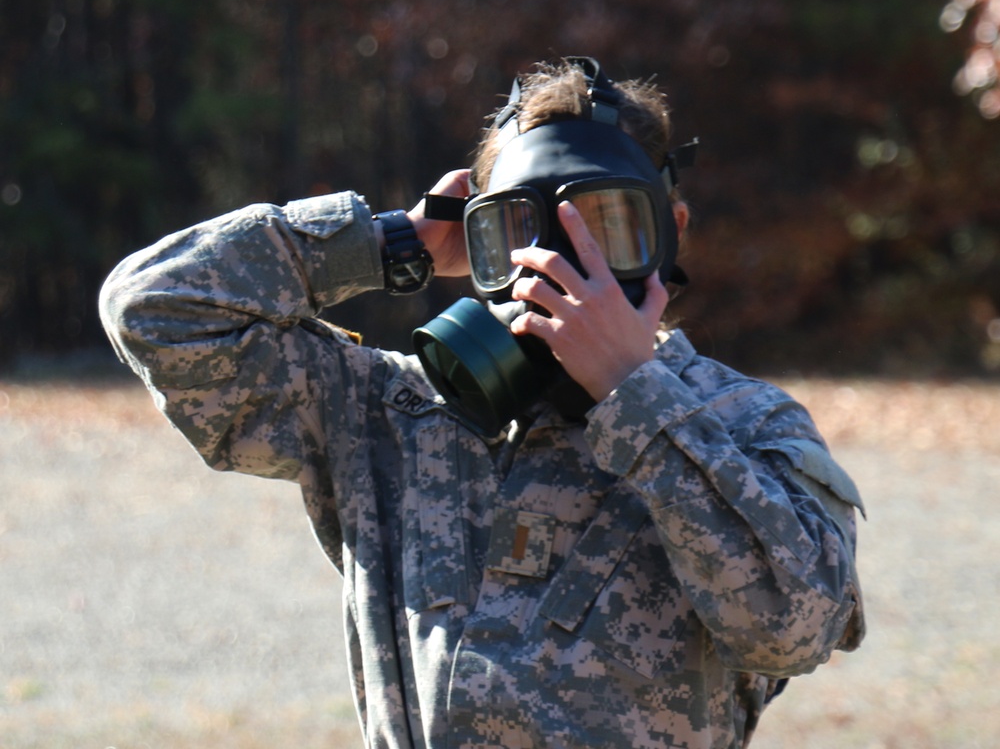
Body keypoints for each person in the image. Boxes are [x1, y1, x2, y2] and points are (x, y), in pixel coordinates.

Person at [100, 57, 865, 749]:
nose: (563, 264)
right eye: (518, 232)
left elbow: (790, 630)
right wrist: (391, 242)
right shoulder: (391, 414)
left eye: (606, 230)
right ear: (475, 246)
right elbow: (156, 309)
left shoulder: (744, 427)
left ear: (671, 233)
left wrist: (640, 402)